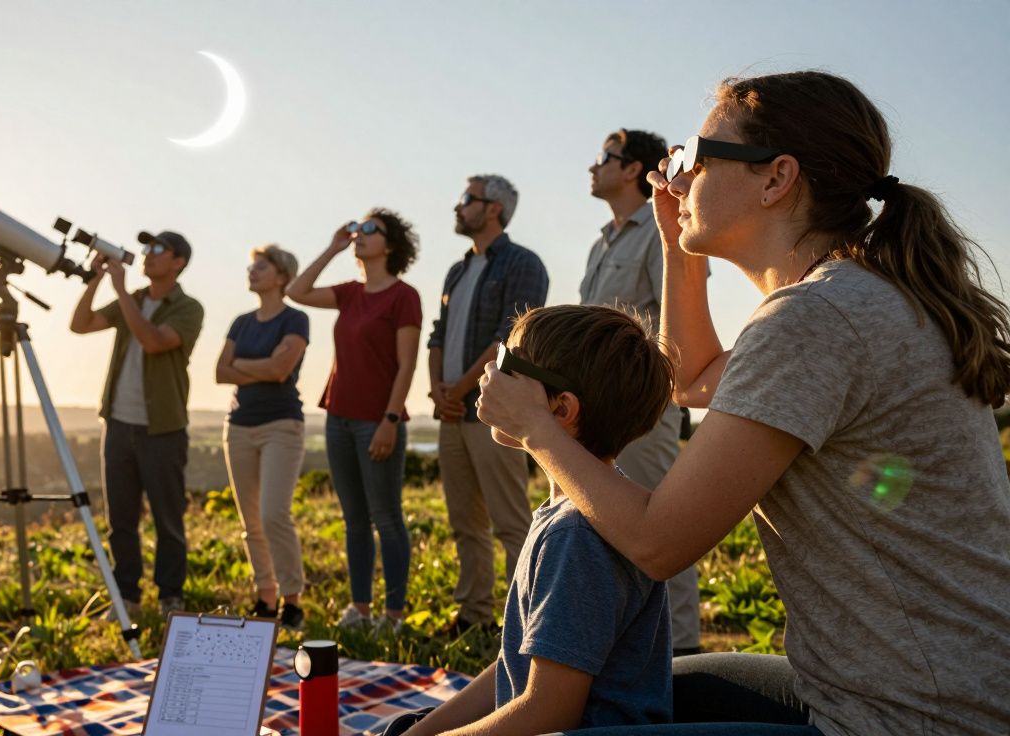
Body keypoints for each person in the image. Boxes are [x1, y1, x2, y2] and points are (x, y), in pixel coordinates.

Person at [477, 70, 1010, 735]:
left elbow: (655, 543)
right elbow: (692, 377)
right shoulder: (855, 297)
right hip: (938, 686)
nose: (673, 179)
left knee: (581, 720)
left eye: (694, 159)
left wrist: (536, 429)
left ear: (775, 178)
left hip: (915, 717)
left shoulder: (815, 319)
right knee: (646, 688)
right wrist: (678, 249)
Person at [387, 305, 674, 736]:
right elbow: (516, 665)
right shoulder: (581, 510)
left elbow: (548, 712)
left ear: (560, 410)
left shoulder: (575, 535)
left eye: (509, 364)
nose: (490, 371)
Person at [581, 129, 701, 657]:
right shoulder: (599, 243)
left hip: (646, 408)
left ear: (632, 169)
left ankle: (683, 656)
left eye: (603, 158)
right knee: (606, 527)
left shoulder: (660, 232)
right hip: (597, 407)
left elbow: (679, 321)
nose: (593, 167)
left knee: (662, 526)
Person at [287, 210, 422, 630]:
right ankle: (360, 609)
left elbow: (406, 366)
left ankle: (394, 614)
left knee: (387, 517)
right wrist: (333, 246)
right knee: (354, 519)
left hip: (376, 421)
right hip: (339, 418)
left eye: (369, 230)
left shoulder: (404, 296)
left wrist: (390, 419)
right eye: (358, 229)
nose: (359, 235)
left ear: (391, 245)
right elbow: (297, 290)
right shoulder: (349, 293)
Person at [429, 174, 549, 634]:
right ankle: (474, 617)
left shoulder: (523, 264)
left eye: (467, 199)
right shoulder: (457, 271)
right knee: (465, 523)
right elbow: (438, 336)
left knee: (510, 522)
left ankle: (527, 626)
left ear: (493, 208)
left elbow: (509, 338)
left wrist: (459, 391)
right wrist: (439, 391)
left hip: (495, 409)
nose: (459, 207)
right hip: (452, 412)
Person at [70, 230, 204, 620]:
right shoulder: (134, 300)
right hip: (118, 424)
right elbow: (80, 325)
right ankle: (127, 596)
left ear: (178, 262)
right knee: (121, 519)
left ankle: (170, 598)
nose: (148, 255)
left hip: (162, 428)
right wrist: (96, 280)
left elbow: (154, 341)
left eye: (158, 249)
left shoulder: (187, 308)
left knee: (168, 518)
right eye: (146, 248)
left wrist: (121, 290)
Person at [215, 244, 310, 630]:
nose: (252, 270)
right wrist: (264, 367)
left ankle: (293, 601)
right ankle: (264, 599)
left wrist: (246, 366)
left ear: (282, 276)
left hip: (280, 426)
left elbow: (280, 370)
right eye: (252, 264)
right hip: (237, 427)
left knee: (274, 515)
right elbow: (220, 372)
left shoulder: (296, 319)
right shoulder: (241, 322)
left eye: (262, 265)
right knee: (250, 521)